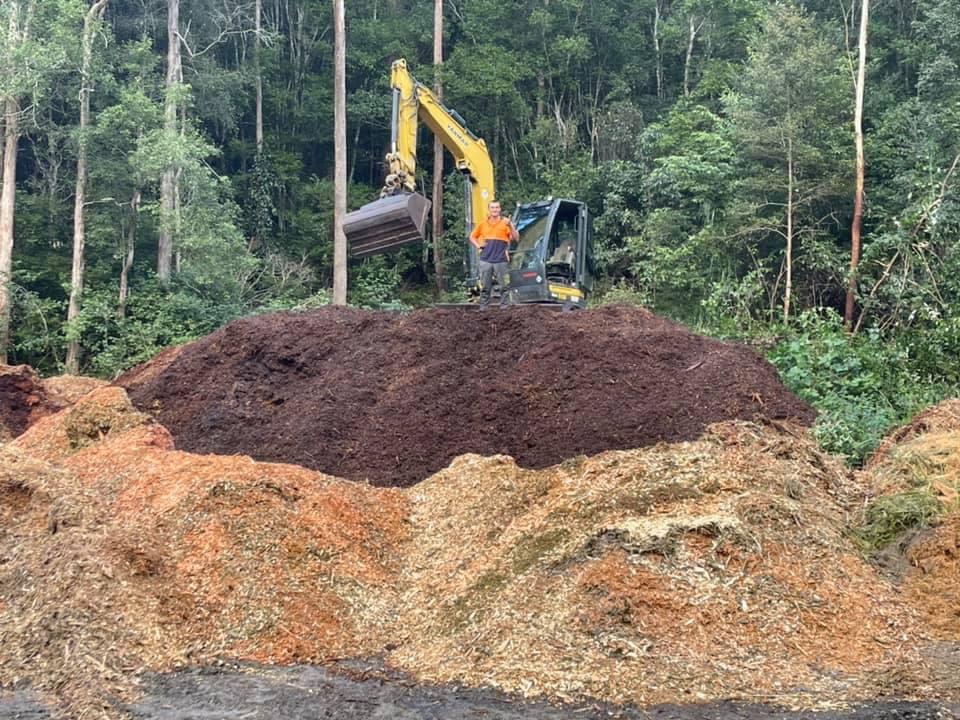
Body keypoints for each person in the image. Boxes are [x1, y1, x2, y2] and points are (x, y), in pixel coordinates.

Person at [470, 200, 519, 308]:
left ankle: (505, 309)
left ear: (500, 209)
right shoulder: (482, 224)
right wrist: (478, 246)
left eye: (497, 207)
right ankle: (483, 309)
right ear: (489, 210)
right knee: (485, 287)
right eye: (492, 207)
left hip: (501, 260)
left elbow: (516, 238)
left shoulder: (505, 223)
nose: (495, 210)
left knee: (504, 286)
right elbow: (472, 236)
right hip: (485, 260)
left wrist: (510, 225)